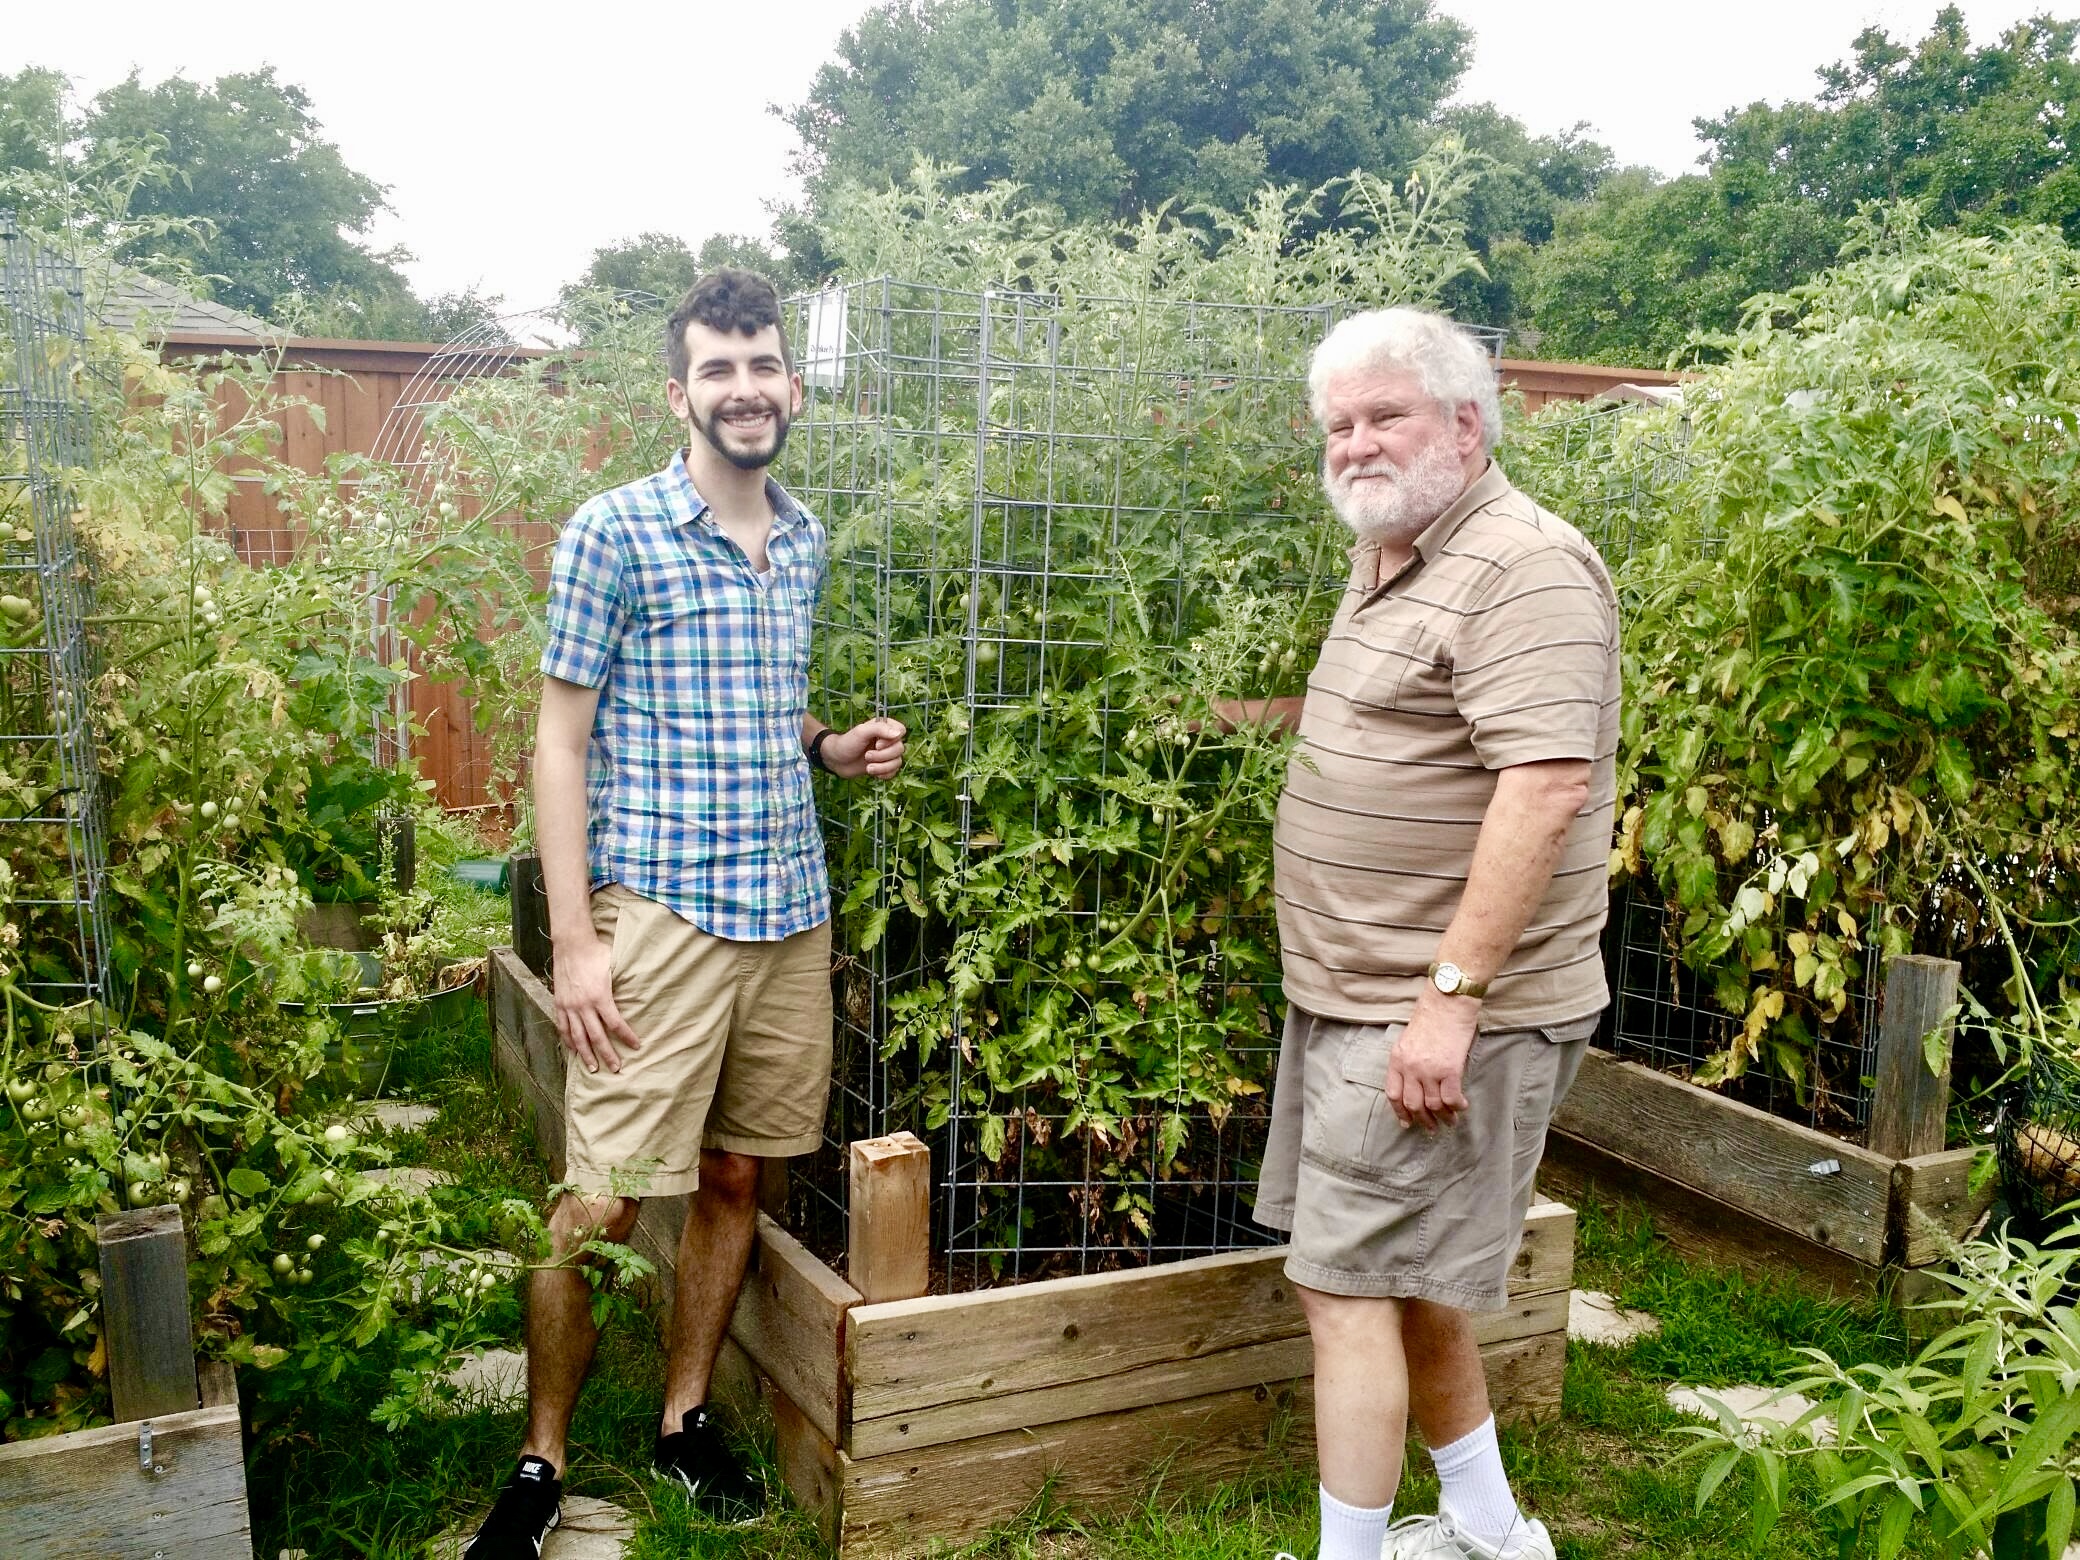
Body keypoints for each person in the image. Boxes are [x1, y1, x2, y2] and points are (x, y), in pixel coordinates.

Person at [465, 269, 906, 1556]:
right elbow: (560, 744)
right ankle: (541, 1462)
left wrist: (827, 750)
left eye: (761, 364)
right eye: (717, 369)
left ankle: (682, 1419)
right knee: (599, 1199)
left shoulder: (806, 538)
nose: (744, 388)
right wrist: (577, 940)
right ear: (680, 392)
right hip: (656, 912)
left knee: (734, 1175)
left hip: (786, 910)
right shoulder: (615, 530)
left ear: (792, 384)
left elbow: (771, 706)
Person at [1242, 307, 1618, 1560]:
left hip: (1438, 1007)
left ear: (1467, 420)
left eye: (1382, 415)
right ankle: (1489, 1529)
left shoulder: (1525, 565)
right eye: (1337, 424)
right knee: (1413, 1280)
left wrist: (1448, 1000)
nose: (1353, 444)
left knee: (1340, 1288)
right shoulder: (1401, 554)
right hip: (1363, 993)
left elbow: (1544, 786)